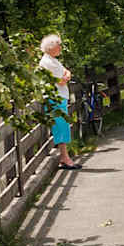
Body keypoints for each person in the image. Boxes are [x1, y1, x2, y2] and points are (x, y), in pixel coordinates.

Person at [38, 34, 81, 170]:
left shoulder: (53, 60)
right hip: (54, 98)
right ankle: (65, 158)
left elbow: (66, 72)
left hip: (60, 96)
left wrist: (66, 75)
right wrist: (66, 76)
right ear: (51, 47)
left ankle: (65, 157)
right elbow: (62, 79)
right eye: (59, 45)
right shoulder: (47, 62)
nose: (61, 48)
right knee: (61, 127)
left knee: (63, 126)